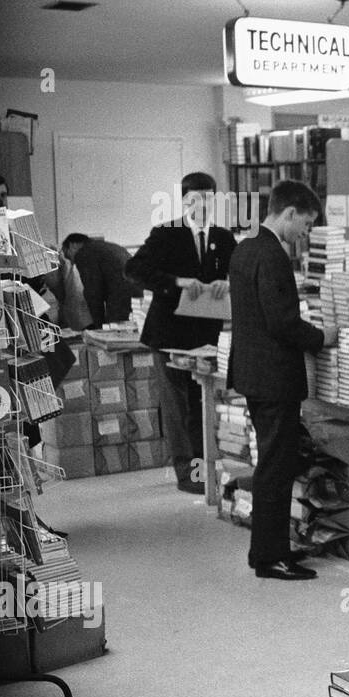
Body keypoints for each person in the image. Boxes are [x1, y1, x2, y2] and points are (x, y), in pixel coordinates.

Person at [228, 180, 338, 581]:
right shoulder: (272, 254)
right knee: (277, 465)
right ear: (289, 213)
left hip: (254, 373)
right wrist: (320, 337)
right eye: (305, 225)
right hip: (274, 377)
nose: (305, 234)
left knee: (271, 463)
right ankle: (270, 556)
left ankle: (269, 550)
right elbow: (281, 322)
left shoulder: (245, 246)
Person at [125, 171, 237, 495]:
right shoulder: (166, 234)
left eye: (208, 197)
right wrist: (176, 282)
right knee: (178, 407)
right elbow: (133, 270)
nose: (202, 204)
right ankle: (188, 475)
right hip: (170, 332)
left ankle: (204, 470)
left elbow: (237, 272)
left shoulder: (223, 237)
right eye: (195, 198)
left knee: (202, 402)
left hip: (206, 334)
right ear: (185, 201)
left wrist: (226, 283)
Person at [59, 232, 137, 328]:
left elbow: (93, 292)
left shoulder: (83, 253)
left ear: (72, 245)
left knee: (115, 334)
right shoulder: (109, 246)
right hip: (139, 291)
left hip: (122, 294)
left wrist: (98, 327)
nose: (72, 262)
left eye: (67, 255)